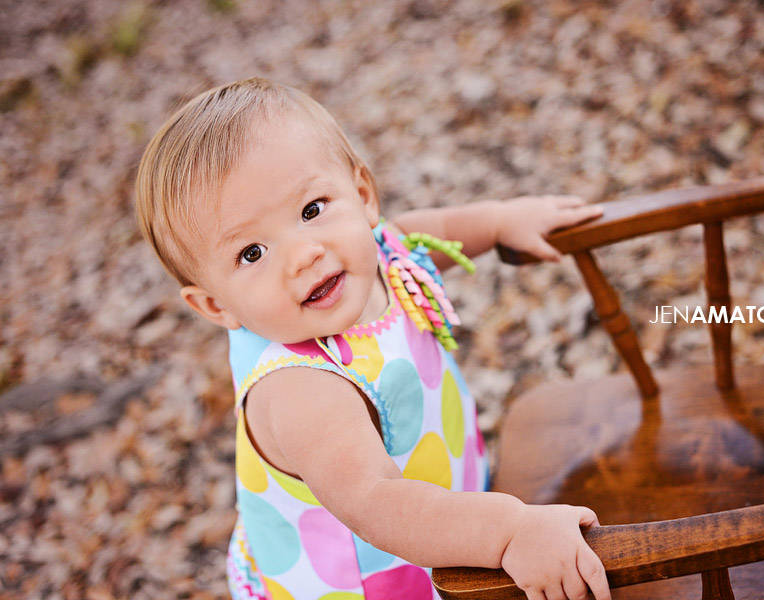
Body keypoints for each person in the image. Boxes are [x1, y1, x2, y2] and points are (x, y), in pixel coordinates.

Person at [135, 77, 610, 600]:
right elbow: (377, 501)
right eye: (252, 252)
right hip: (373, 572)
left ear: (362, 197)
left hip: (448, 507)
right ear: (215, 305)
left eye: (312, 209)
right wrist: (510, 531)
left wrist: (499, 222)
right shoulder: (300, 389)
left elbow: (434, 229)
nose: (303, 254)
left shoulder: (375, 251)